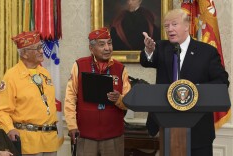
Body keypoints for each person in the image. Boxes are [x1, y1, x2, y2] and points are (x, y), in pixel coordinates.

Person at [140, 9, 229, 156]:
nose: (170, 29)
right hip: (166, 124)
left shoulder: (207, 51)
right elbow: (146, 61)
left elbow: (222, 81)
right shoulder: (161, 47)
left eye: (174, 24)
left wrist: (195, 90)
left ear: (187, 26)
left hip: (199, 128)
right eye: (166, 26)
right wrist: (149, 50)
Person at [64, 27, 131, 156]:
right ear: (91, 48)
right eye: (102, 44)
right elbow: (70, 97)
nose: (107, 48)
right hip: (85, 136)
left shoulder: (120, 68)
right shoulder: (79, 65)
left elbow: (129, 102)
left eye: (109, 43)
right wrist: (72, 125)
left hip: (113, 136)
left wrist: (119, 99)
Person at [0, 31, 60, 156]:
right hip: (28, 142)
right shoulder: (11, 76)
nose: (42, 51)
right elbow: (1, 111)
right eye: (37, 48)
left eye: (41, 46)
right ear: (24, 54)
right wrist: (9, 129)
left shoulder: (45, 73)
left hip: (50, 141)